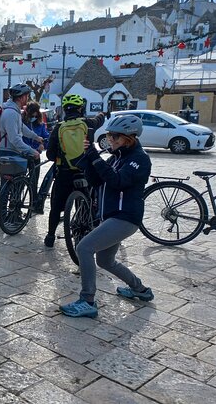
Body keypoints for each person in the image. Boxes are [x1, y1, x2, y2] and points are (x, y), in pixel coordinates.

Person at [60, 115, 153, 318]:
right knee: (105, 260)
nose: (110, 140)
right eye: (109, 136)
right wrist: (88, 162)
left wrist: (95, 157)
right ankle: (141, 290)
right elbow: (99, 181)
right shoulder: (116, 157)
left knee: (84, 247)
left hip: (125, 217)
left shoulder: (139, 159)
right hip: (112, 216)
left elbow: (117, 181)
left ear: (129, 137)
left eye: (115, 137)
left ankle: (87, 300)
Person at [43, 94, 106, 247]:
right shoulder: (89, 123)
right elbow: (100, 119)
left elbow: (50, 154)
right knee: (88, 201)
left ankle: (50, 237)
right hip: (85, 171)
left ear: (64, 110)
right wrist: (103, 113)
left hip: (64, 172)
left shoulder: (59, 127)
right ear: (80, 109)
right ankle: (88, 233)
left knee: (56, 207)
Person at [0, 84, 42, 223]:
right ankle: (7, 216)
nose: (27, 98)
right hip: (9, 152)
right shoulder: (10, 113)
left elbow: (22, 128)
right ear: (21, 97)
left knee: (11, 185)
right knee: (10, 185)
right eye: (26, 96)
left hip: (10, 151)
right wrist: (31, 151)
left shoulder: (14, 111)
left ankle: (7, 216)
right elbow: (14, 138)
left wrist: (36, 137)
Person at [22, 101, 50, 213]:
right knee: (20, 181)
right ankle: (17, 204)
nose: (34, 117)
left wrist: (43, 145)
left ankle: (33, 204)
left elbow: (46, 138)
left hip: (36, 156)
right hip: (24, 155)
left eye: (35, 115)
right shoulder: (22, 123)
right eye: (31, 115)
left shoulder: (41, 125)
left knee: (34, 181)